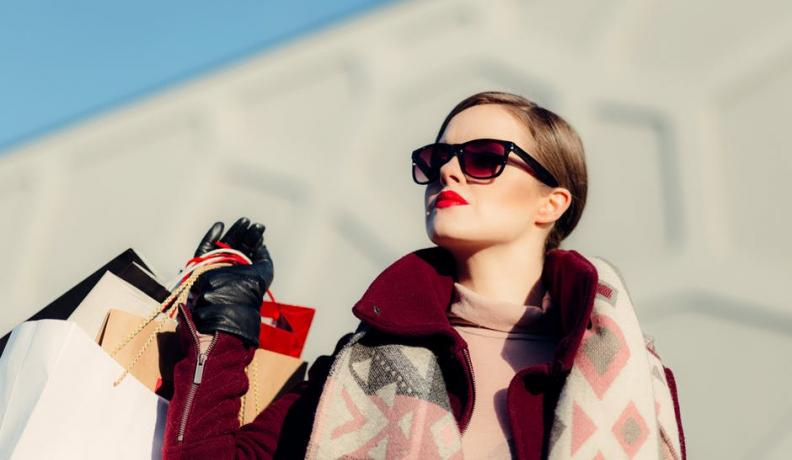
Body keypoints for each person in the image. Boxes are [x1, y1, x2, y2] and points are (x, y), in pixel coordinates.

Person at [162, 91, 685, 459]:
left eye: (484, 158)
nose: (448, 172)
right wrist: (225, 328)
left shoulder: (625, 375)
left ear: (551, 203)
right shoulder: (358, 367)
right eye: (438, 159)